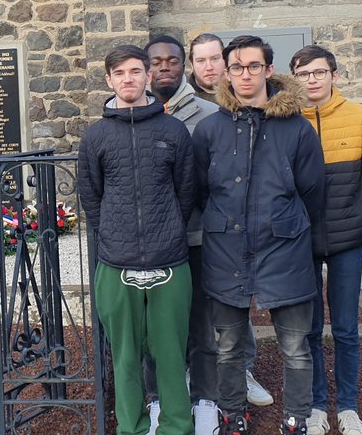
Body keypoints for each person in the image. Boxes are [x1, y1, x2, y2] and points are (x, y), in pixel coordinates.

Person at [193, 35, 325, 435]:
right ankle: (232, 414)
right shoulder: (210, 130)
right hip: (226, 250)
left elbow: (312, 191)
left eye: (253, 66)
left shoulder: (297, 129)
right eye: (236, 67)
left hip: (284, 249)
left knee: (295, 347)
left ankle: (296, 417)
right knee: (228, 347)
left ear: (269, 70)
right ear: (227, 73)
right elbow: (200, 190)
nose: (245, 74)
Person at [77, 45, 197, 435]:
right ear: (109, 80)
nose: (128, 79)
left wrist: (167, 231)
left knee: (170, 353)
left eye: (134, 71)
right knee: (125, 357)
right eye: (119, 73)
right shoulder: (96, 137)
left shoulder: (173, 131)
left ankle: (177, 426)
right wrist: (113, 232)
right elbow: (91, 196)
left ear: (147, 75)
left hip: (169, 261)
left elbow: (186, 191)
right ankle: (131, 427)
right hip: (116, 262)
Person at [290, 45, 362, 435]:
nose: (312, 80)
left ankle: (348, 406)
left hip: (347, 240)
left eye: (319, 72)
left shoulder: (360, 117)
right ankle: (313, 406)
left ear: (334, 75)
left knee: (345, 327)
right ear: (295, 78)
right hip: (301, 243)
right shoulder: (288, 120)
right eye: (304, 73)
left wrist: (360, 210)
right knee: (308, 328)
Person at [187, 32, 273, 408]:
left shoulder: (246, 103)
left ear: (226, 63)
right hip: (200, 223)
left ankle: (243, 370)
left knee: (238, 305)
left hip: (238, 227)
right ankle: (200, 372)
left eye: (214, 59)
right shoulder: (182, 106)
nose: (208, 66)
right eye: (200, 60)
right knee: (199, 308)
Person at [145, 34, 219, 435]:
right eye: (156, 61)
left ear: (182, 64)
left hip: (197, 239)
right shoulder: (133, 113)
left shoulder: (208, 114)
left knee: (200, 325)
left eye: (172, 61)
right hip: (152, 244)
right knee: (155, 329)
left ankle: (205, 399)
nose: (164, 68)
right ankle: (159, 400)